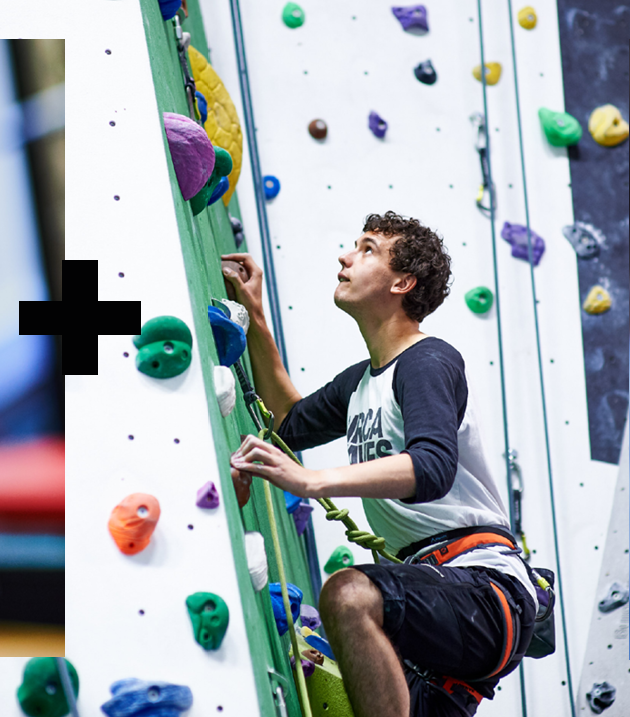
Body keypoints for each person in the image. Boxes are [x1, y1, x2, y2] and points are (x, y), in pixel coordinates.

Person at [223, 211, 537, 717]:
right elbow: (288, 421)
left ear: (402, 282)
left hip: (483, 590)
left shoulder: (427, 361)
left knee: (348, 596)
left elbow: (431, 467)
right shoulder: (363, 382)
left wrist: (311, 481)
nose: (345, 256)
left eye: (367, 249)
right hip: (438, 610)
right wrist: (254, 312)